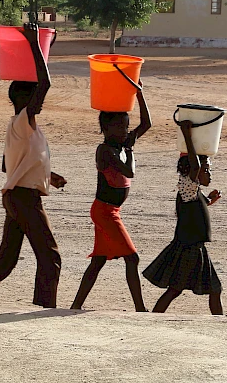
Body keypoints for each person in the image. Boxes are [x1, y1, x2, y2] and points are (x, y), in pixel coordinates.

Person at [0, 22, 67, 308]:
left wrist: (48, 175)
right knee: (51, 257)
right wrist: (34, 44)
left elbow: (8, 165)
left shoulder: (21, 126)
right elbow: (45, 84)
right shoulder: (23, 121)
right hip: (24, 199)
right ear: (23, 99)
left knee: (7, 260)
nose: (40, 100)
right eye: (34, 95)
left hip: (17, 196)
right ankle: (44, 309)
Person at [71, 81, 151, 312]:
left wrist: (139, 94)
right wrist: (130, 149)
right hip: (105, 212)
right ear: (106, 130)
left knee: (98, 261)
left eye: (126, 128)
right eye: (120, 128)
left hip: (111, 210)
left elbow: (146, 124)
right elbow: (129, 172)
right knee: (132, 258)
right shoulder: (105, 150)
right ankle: (140, 309)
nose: (125, 132)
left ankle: (75, 306)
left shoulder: (122, 144)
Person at [142, 120, 223, 315]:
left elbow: (195, 205)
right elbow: (194, 164)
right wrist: (187, 135)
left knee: (183, 289)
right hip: (190, 248)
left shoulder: (191, 190)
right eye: (206, 170)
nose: (209, 174)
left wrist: (210, 201)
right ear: (192, 170)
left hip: (194, 246)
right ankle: (221, 323)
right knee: (203, 289)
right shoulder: (188, 184)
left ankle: (154, 318)